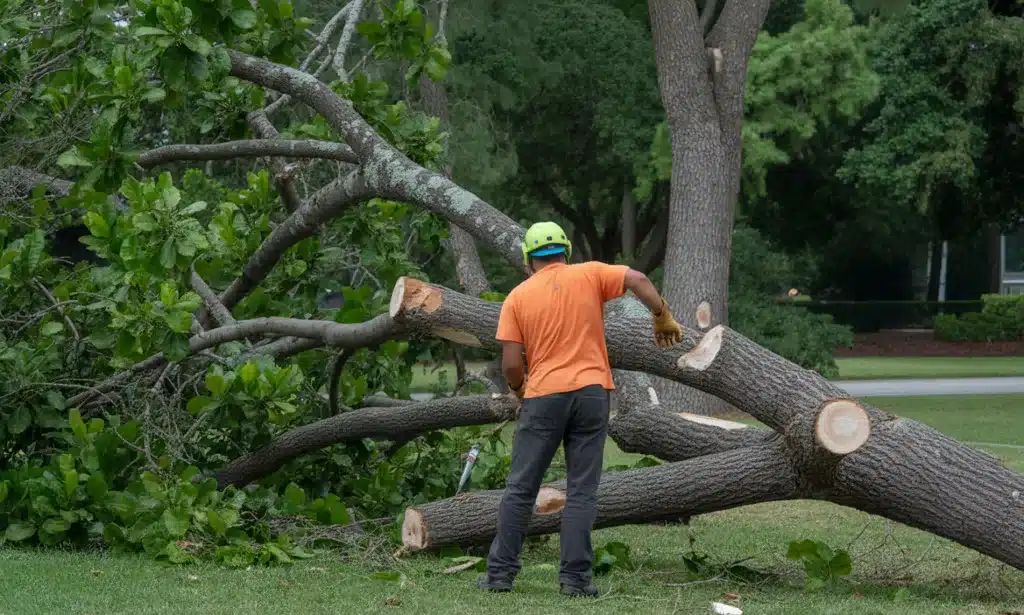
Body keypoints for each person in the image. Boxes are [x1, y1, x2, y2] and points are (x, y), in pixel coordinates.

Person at [476, 221, 684, 597]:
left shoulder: (518, 297)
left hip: (543, 396)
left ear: (528, 259)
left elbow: (510, 362)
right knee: (582, 490)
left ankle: (499, 576)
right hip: (591, 393)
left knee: (521, 488)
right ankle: (575, 580)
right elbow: (636, 277)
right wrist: (661, 314)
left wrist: (521, 390)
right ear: (566, 252)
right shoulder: (589, 275)